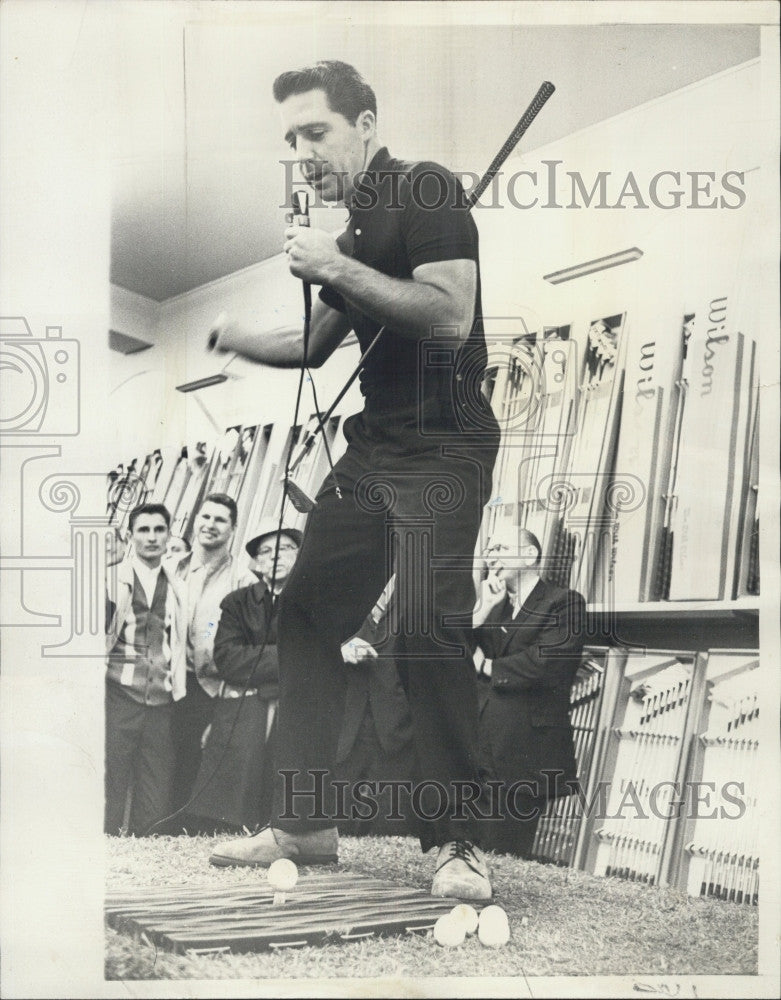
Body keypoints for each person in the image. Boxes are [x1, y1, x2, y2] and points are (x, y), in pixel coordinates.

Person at [209, 60, 500, 899]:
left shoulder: (427, 191)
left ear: (365, 123)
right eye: (290, 139)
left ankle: (455, 842)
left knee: (425, 621)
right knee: (303, 613)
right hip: (374, 448)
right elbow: (310, 347)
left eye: (316, 132)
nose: (302, 152)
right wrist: (229, 335)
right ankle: (304, 821)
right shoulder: (361, 229)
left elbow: (448, 313)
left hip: (444, 444)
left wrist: (332, 265)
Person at [472, 526, 586, 858]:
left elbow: (548, 663)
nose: (492, 556)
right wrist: (482, 611)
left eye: (501, 547)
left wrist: (486, 666)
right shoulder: (493, 605)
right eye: (490, 549)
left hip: (525, 752)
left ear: (530, 555)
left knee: (505, 850)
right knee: (471, 848)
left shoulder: (564, 603)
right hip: (481, 745)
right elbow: (455, 654)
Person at [190, 520, 301, 836]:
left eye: (284, 549)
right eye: (265, 551)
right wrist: (292, 656)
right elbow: (228, 659)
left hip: (293, 710)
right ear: (256, 562)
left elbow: (319, 654)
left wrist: (263, 660)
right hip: (245, 712)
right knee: (232, 805)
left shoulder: (313, 600)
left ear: (299, 555)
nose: (274, 556)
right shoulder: (237, 603)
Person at [104, 503, 186, 836]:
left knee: (154, 800)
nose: (151, 538)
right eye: (143, 530)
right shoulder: (111, 579)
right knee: (110, 780)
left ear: (169, 535)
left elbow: (183, 638)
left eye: (159, 530)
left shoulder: (179, 584)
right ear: (130, 535)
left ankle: (144, 844)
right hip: (118, 692)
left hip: (161, 700)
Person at [170, 493, 249, 826]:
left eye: (220, 520)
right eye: (205, 517)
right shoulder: (172, 568)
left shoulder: (242, 579)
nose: (210, 525)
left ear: (232, 529)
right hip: (168, 677)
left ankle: (182, 825)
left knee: (194, 752)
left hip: (210, 682)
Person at [336, 577, 419, 838]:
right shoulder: (351, 574)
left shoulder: (425, 580)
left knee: (388, 827)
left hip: (398, 725)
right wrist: (340, 649)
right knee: (333, 820)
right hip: (346, 721)